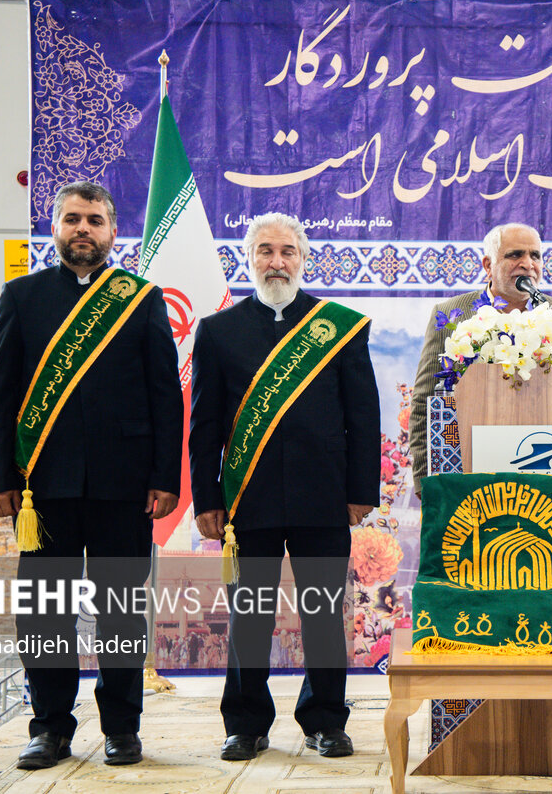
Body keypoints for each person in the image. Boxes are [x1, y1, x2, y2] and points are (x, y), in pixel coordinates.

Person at [0, 180, 182, 769]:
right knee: (45, 612)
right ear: (55, 228)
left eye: (95, 220)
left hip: (126, 487)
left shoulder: (141, 299)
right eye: (72, 219)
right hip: (43, 488)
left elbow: (164, 396)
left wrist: (164, 476)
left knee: (121, 611)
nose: (83, 230)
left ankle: (121, 728)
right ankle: (49, 728)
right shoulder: (21, 297)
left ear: (113, 231)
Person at [189, 213, 381, 762]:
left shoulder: (339, 326)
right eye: (266, 251)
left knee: (323, 613)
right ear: (248, 258)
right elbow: (204, 425)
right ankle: (245, 723)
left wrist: (360, 491)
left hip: (324, 496)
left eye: (287, 251)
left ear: (302, 259)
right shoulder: (218, 331)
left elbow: (362, 416)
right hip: (247, 498)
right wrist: (207, 498)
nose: (277, 262)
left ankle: (325, 719)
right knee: (249, 616)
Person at [408, 223, 547, 478]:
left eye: (535, 256)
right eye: (516, 254)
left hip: (544, 460)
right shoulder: (451, 313)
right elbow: (424, 402)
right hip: (469, 467)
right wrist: (423, 477)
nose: (528, 264)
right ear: (488, 265)